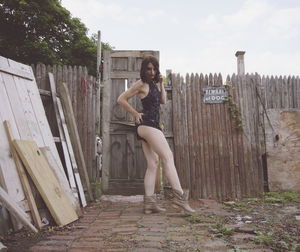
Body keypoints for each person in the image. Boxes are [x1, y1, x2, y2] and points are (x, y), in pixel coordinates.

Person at [117, 56, 195, 214]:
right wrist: (134, 113)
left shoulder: (154, 84)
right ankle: (181, 200)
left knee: (153, 163)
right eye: (148, 69)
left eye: (154, 69)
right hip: (147, 124)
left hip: (149, 126)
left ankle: (149, 203)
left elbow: (163, 101)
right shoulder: (141, 84)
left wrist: (161, 84)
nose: (152, 72)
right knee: (168, 157)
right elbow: (121, 99)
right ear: (144, 69)